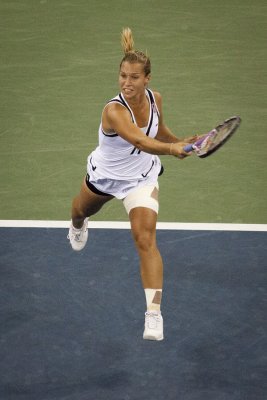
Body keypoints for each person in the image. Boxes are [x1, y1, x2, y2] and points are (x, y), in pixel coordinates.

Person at [68, 27, 197, 341]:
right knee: (79, 210)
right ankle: (77, 224)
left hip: (141, 177)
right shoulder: (113, 111)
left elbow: (157, 131)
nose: (127, 82)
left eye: (134, 77)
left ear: (147, 79)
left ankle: (153, 314)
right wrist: (172, 151)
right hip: (106, 176)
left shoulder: (156, 100)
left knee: (145, 238)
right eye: (123, 76)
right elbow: (138, 137)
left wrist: (178, 142)